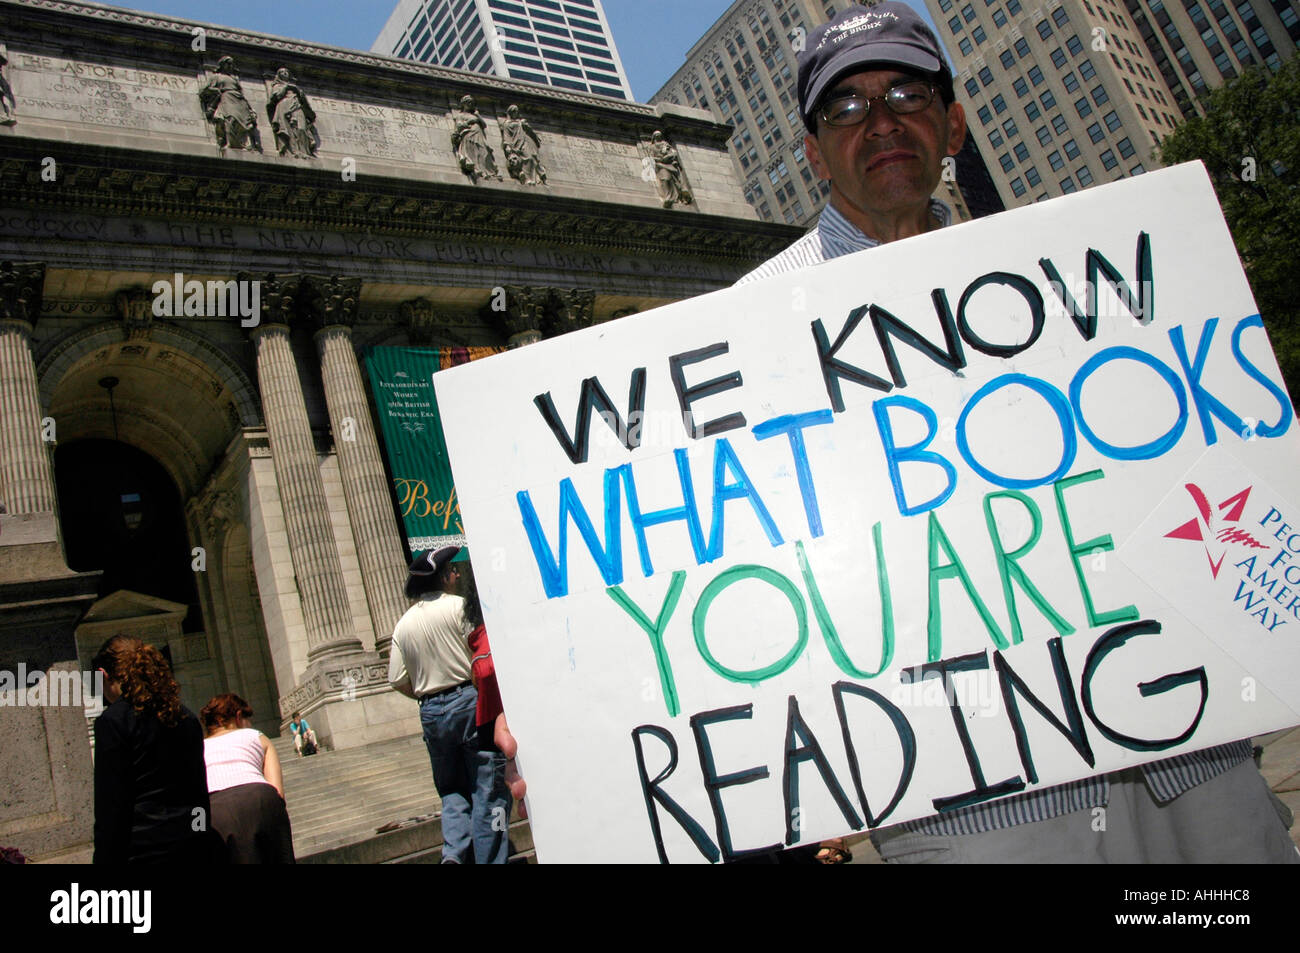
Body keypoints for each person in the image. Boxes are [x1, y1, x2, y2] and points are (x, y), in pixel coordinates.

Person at [740, 2, 1297, 864]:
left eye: (906, 92)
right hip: (977, 807)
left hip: (1193, 757)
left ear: (952, 123)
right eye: (844, 108)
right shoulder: (749, 329)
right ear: (814, 154)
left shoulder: (1069, 274)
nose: (880, 120)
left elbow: (1182, 472)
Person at [389, 546, 509, 864]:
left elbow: (396, 679)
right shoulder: (460, 608)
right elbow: (482, 657)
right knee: (488, 788)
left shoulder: (403, 626)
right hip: (470, 703)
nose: (457, 574)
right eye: (453, 570)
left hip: (431, 712)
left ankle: (453, 856)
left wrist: (425, 694)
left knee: (452, 792)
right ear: (444, 576)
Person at [91, 635, 214, 864]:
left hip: (143, 851)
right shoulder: (185, 716)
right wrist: (200, 837)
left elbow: (111, 807)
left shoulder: (113, 721)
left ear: (103, 675)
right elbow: (199, 792)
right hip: (190, 844)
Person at [200, 693, 295, 863]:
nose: (249, 724)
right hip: (260, 798)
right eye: (247, 719)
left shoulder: (198, 748)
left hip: (214, 810)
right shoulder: (256, 735)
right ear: (238, 717)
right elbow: (278, 792)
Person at [198, 56, 260, 153]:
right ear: (222, 64)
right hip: (226, 99)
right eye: (228, 63)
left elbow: (241, 93)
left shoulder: (234, 79)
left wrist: (250, 109)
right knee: (230, 118)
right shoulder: (216, 77)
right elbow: (204, 91)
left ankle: (243, 144)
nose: (230, 66)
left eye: (232, 64)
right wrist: (216, 91)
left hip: (239, 101)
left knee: (244, 122)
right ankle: (231, 143)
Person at [267, 67, 317, 158]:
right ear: (278, 75)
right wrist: (286, 87)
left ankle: (305, 151)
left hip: (297, 106)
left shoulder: (296, 87)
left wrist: (298, 92)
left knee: (301, 128)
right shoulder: (277, 86)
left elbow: (304, 102)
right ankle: (294, 151)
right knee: (288, 129)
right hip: (284, 107)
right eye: (282, 72)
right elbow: (276, 97)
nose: (285, 73)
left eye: (286, 71)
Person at [450, 95, 501, 183]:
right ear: (463, 104)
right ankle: (478, 172)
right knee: (473, 154)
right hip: (469, 136)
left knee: (484, 153)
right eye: (468, 102)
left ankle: (488, 173)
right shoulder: (460, 115)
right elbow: (459, 126)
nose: (470, 104)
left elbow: (484, 125)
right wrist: (469, 122)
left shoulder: (475, 115)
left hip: (479, 136)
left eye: (472, 103)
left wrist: (478, 116)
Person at [501, 104, 546, 186]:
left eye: (517, 111)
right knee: (517, 161)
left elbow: (531, 133)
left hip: (523, 143)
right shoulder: (506, 124)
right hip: (514, 145)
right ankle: (524, 177)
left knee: (530, 158)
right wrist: (507, 146)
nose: (515, 113)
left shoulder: (521, 122)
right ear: (510, 113)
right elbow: (506, 136)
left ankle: (531, 179)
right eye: (514, 111)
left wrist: (529, 130)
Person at [650, 131, 691, 208]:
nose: (658, 137)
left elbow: (673, 153)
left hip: (670, 164)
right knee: (666, 179)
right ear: (654, 138)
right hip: (661, 165)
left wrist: (669, 156)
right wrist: (661, 159)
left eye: (659, 136)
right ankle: (668, 197)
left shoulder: (666, 145)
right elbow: (651, 157)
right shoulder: (652, 147)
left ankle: (678, 196)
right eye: (656, 136)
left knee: (674, 181)